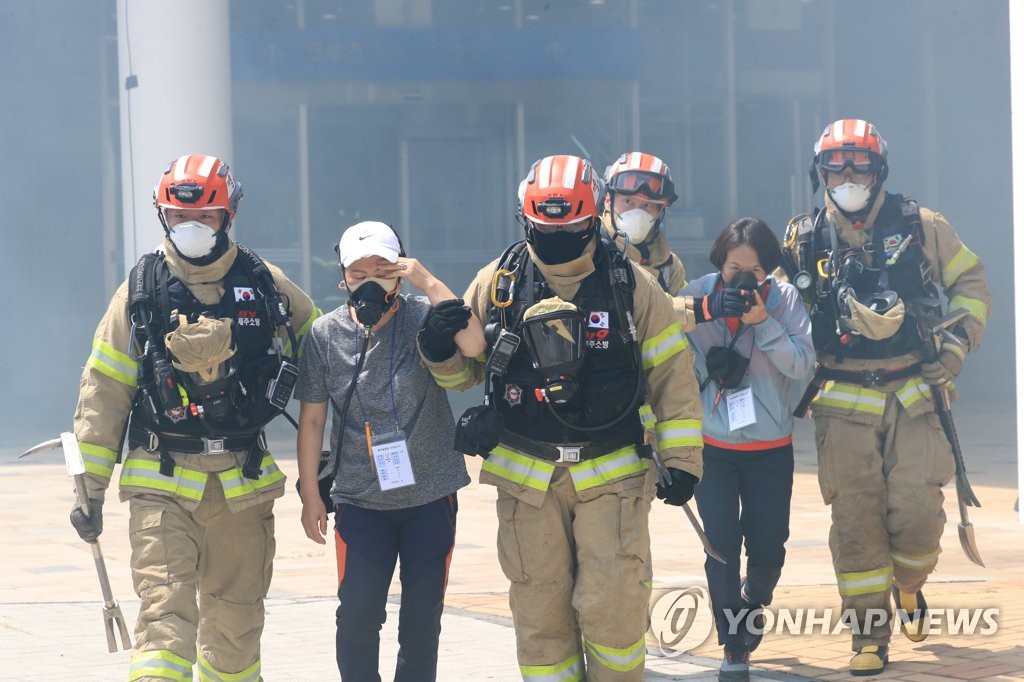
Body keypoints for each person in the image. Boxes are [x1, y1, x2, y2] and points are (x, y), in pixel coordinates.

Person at [422, 154, 704, 681]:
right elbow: (461, 373)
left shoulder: (631, 286)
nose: (559, 234)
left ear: (593, 216)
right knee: (539, 617)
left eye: (572, 224)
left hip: (613, 477)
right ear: (526, 218)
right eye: (546, 224)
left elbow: (674, 376)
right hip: (528, 482)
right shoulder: (499, 282)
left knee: (614, 609)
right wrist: (439, 347)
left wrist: (684, 460)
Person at [69, 154, 321, 681]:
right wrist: (88, 491)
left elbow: (328, 355)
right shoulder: (139, 292)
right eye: (180, 217)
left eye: (205, 218)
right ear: (163, 216)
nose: (193, 229)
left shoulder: (265, 284)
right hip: (161, 484)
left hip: (242, 486)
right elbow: (105, 393)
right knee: (164, 618)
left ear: (227, 215)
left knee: (236, 627)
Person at [783, 119, 991, 676]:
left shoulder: (922, 225)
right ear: (819, 172)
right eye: (836, 166)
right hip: (842, 394)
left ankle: (910, 586)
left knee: (920, 517)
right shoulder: (801, 239)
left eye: (861, 166)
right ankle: (867, 637)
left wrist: (952, 350)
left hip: (915, 391)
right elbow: (780, 314)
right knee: (855, 519)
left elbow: (971, 285)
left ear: (880, 171)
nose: (849, 176)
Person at [294, 220, 485, 680]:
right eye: (357, 274)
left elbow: (475, 344)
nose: (368, 283)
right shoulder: (324, 335)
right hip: (359, 499)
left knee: (422, 621)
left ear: (398, 273)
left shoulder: (423, 314)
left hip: (430, 496)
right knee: (357, 616)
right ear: (342, 278)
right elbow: (313, 418)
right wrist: (310, 495)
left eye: (381, 269)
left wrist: (428, 280)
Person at [681, 218, 814, 681]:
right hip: (712, 446)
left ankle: (754, 597)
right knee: (720, 545)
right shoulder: (696, 291)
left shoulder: (786, 300)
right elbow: (659, 327)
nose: (741, 278)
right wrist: (705, 308)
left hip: (770, 448)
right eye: (734, 266)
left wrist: (765, 323)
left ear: (769, 270)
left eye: (753, 270)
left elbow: (801, 365)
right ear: (720, 261)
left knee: (768, 546)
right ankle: (733, 646)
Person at [601, 152, 750, 324]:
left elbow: (682, 310)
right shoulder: (592, 250)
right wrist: (702, 309)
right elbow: (629, 312)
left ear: (661, 211)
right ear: (608, 201)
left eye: (648, 205)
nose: (638, 213)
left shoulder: (669, 266)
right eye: (628, 202)